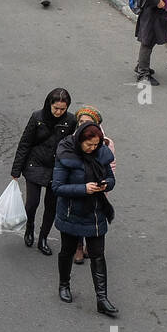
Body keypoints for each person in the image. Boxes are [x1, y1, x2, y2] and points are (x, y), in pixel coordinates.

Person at [52, 121, 118, 316]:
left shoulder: (102, 153)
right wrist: (83, 189)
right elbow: (57, 187)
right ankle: (64, 285)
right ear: (80, 140)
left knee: (98, 255)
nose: (92, 148)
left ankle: (102, 298)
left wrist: (106, 184)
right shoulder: (66, 154)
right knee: (67, 251)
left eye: (96, 145)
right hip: (71, 212)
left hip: (95, 211)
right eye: (88, 145)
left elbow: (111, 178)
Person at [11, 89, 77, 256]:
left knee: (51, 206)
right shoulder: (37, 117)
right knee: (32, 203)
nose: (58, 112)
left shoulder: (70, 121)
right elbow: (25, 143)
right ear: (49, 104)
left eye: (62, 109)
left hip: (57, 168)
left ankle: (43, 238)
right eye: (56, 108)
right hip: (35, 164)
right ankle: (30, 227)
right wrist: (16, 170)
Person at [69, 107, 113, 266]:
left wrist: (106, 184)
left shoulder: (106, 143)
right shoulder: (72, 141)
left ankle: (90, 246)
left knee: (93, 218)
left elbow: (111, 168)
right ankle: (79, 247)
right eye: (80, 121)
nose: (82, 125)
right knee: (78, 216)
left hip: (98, 190)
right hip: (79, 188)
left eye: (87, 122)